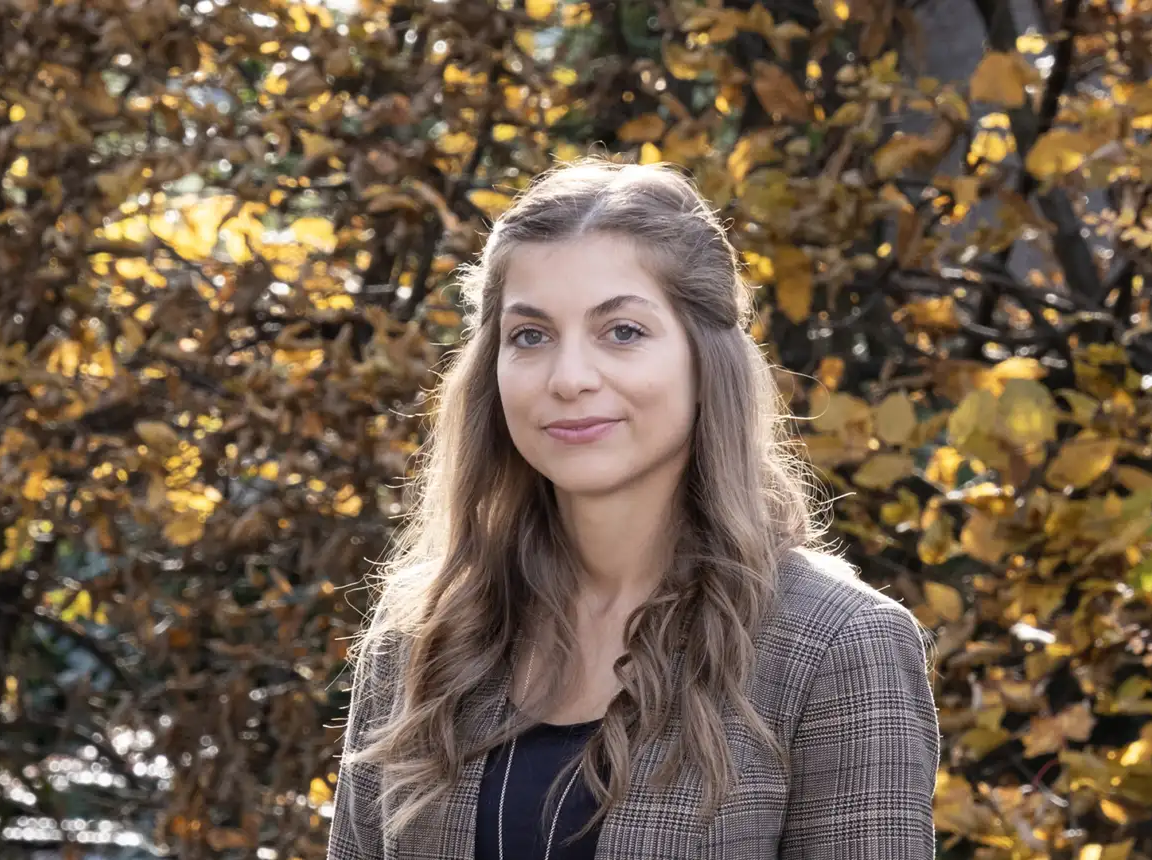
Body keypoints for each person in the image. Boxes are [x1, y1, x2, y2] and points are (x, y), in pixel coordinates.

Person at [327, 158, 940, 860]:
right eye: (530, 335)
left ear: (706, 358)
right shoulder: (424, 632)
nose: (570, 378)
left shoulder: (836, 645)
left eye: (622, 332)